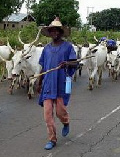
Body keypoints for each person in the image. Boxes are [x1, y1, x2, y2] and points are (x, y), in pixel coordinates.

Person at [37, 17, 78, 150]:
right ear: (49, 33)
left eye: (57, 31)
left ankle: (66, 122)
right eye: (52, 31)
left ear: (61, 32)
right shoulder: (46, 49)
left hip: (61, 83)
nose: (54, 33)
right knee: (48, 115)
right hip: (48, 84)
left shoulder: (68, 47)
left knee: (60, 112)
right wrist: (39, 82)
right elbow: (43, 66)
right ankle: (52, 139)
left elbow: (75, 62)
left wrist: (67, 63)